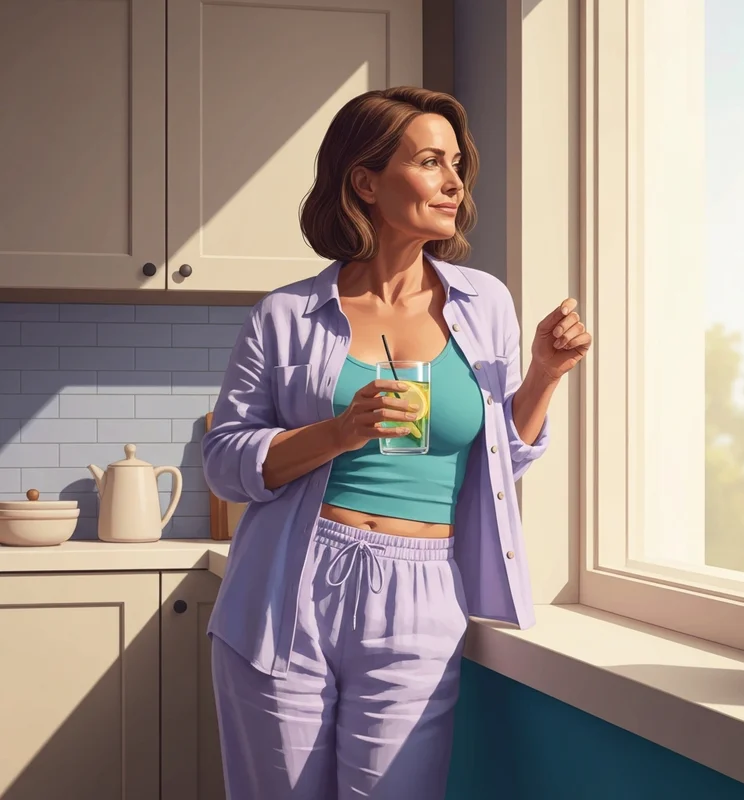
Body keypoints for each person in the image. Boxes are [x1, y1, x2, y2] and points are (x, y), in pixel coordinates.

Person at [202, 85, 592, 800]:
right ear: (366, 182)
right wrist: (336, 432)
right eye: (430, 161)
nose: (454, 181)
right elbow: (225, 461)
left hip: (423, 588)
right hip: (286, 587)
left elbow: (506, 453)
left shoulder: (484, 305)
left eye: (457, 164)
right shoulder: (285, 316)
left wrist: (544, 374)